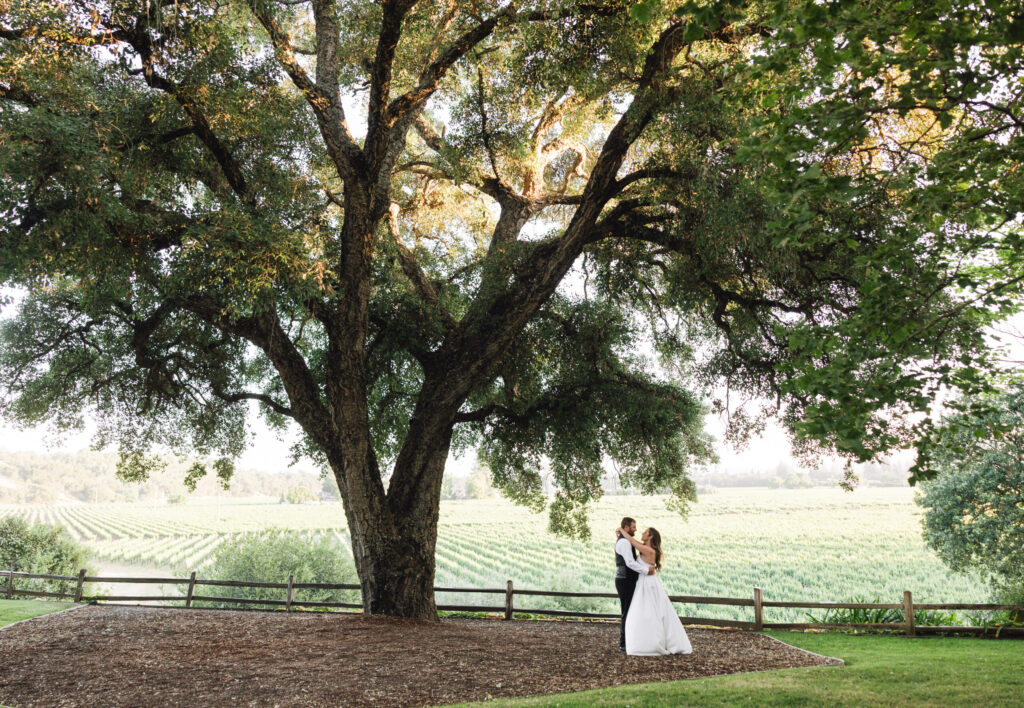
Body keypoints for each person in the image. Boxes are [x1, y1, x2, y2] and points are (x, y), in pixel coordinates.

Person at [616, 524, 693, 656]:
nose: (642, 533)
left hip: (648, 582)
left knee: (650, 612)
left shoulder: (649, 551)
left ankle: (651, 643)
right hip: (643, 581)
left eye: (645, 532)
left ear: (650, 536)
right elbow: (633, 542)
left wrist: (622, 530)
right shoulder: (646, 548)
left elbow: (632, 541)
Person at [614, 516, 654, 652]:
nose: (636, 530)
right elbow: (630, 563)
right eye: (633, 527)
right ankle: (623, 643)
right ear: (626, 528)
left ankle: (629, 640)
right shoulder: (625, 543)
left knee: (630, 610)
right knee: (627, 611)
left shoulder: (626, 540)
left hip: (627, 579)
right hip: (625, 580)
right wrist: (645, 571)